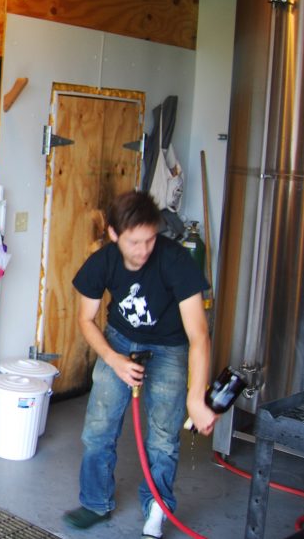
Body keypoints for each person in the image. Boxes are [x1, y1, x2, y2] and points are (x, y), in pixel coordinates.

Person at [62, 190, 216, 539]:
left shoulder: (176, 260)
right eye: (134, 241)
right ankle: (95, 503)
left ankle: (157, 510)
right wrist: (114, 359)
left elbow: (199, 335)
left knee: (163, 435)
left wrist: (196, 398)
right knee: (99, 427)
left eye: (150, 239)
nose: (143, 249)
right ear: (115, 234)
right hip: (119, 340)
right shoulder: (102, 262)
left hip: (169, 346)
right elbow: (86, 320)